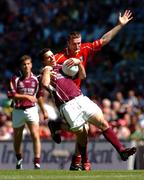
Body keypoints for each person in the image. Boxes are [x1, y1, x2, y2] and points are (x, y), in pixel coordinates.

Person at [54, 9, 133, 170]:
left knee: (96, 124)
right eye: (74, 43)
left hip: (79, 96)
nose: (77, 46)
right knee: (83, 130)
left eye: (79, 42)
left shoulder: (84, 49)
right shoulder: (58, 58)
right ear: (68, 43)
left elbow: (103, 40)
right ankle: (59, 129)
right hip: (65, 101)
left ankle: (121, 151)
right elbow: (47, 76)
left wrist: (119, 25)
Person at [40, 48, 136, 169]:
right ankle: (83, 160)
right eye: (48, 57)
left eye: (52, 55)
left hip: (81, 98)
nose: (52, 58)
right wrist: (47, 71)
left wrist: (79, 63)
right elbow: (44, 84)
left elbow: (82, 76)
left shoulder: (62, 67)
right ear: (44, 61)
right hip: (67, 105)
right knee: (82, 133)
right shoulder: (45, 71)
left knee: (102, 123)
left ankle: (121, 150)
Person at [7, 55, 48, 169]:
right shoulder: (15, 78)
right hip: (18, 110)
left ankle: (37, 162)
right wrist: (27, 97)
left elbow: (39, 96)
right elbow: (11, 95)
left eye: (28, 64)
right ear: (21, 66)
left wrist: (44, 111)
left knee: (35, 135)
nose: (26, 66)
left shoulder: (36, 79)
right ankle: (19, 159)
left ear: (31, 65)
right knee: (17, 138)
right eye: (24, 64)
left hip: (31, 110)